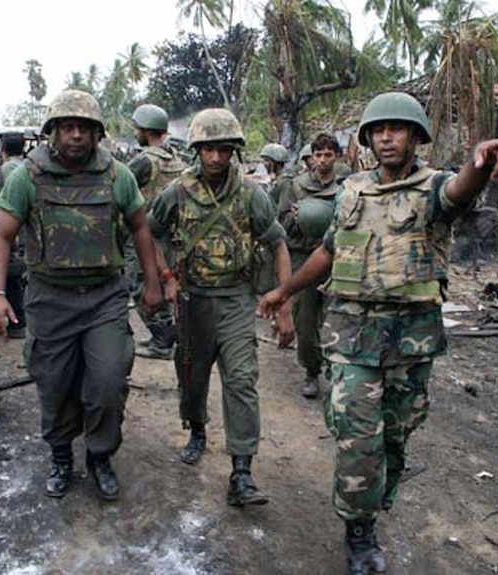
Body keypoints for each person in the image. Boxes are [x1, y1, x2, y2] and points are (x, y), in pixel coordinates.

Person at [258, 92, 498, 574]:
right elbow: (331, 250)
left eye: (397, 129)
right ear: (368, 139)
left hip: (411, 341)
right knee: (358, 440)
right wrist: (285, 291)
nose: (386, 137)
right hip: (353, 338)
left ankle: (375, 503)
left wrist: (480, 165)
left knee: (394, 439)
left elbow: (460, 191)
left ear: (416, 136)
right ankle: (359, 531)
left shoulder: (433, 187)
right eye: (378, 130)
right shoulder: (352, 189)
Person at [0, 89, 162, 501]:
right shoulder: (26, 177)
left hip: (104, 297)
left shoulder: (118, 175)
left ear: (97, 133)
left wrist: (152, 283)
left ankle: (99, 455)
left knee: (107, 380)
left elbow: (140, 228)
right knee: (54, 382)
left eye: (84, 128)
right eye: (67, 127)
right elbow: (1, 235)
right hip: (50, 298)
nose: (76, 136)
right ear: (53, 132)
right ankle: (62, 454)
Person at [147, 108, 295, 507]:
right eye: (209, 149)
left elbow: (278, 243)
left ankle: (242, 471)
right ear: (197, 149)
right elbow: (148, 233)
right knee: (192, 376)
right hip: (194, 301)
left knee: (242, 379)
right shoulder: (176, 192)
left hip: (235, 300)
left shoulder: (251, 194)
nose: (216, 158)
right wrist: (166, 277)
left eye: (224, 150)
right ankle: (196, 429)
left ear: (234, 151)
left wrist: (284, 302)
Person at [276, 133, 342, 399]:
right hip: (303, 257)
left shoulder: (346, 188)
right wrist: (294, 218)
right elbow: (279, 225)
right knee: (304, 319)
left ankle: (336, 370)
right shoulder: (296, 186)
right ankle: (311, 371)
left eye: (328, 154)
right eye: (318, 154)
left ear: (336, 156)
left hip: (335, 260)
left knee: (335, 319)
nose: (323, 160)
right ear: (311, 157)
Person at [126, 103, 186, 360]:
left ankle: (162, 338)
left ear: (145, 130)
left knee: (139, 284)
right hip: (170, 235)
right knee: (164, 284)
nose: (135, 132)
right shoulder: (176, 159)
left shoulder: (144, 161)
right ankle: (165, 334)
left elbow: (122, 187)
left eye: (137, 128)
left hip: (145, 233)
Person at [0, 132, 28, 339]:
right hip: (27, 231)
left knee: (14, 277)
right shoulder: (26, 166)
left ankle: (19, 322)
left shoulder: (8, 169)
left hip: (18, 231)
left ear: (3, 149)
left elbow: (13, 204)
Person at [259, 143, 290, 207]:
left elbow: (282, 209)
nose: (264, 163)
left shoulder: (285, 182)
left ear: (276, 162)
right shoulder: (276, 179)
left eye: (267, 160)